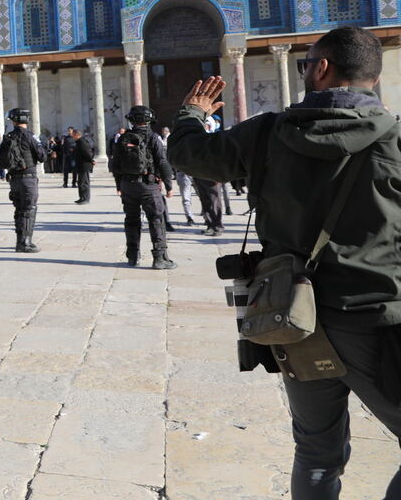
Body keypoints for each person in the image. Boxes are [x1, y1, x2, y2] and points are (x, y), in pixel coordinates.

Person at [167, 26, 401, 500]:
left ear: (321, 69)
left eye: (305, 62)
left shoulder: (268, 133)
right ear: (372, 79)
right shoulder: (394, 139)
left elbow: (190, 154)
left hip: (292, 317)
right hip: (374, 318)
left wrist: (192, 113)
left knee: (317, 452)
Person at [111, 106, 175, 269]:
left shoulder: (123, 138)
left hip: (127, 185)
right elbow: (162, 161)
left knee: (131, 220)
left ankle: (132, 257)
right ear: (149, 120)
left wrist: (119, 185)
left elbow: (115, 164)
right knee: (156, 219)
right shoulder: (153, 137)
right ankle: (159, 258)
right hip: (148, 185)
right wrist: (168, 185)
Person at [0, 108, 46, 253]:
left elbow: (1, 159)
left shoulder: (7, 137)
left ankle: (20, 240)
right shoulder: (30, 136)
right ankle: (25, 243)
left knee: (19, 209)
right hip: (28, 178)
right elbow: (42, 156)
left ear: (14, 120)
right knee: (29, 209)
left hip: (14, 179)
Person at [71, 128, 94, 204]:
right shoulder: (78, 142)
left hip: (84, 165)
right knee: (80, 182)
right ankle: (81, 197)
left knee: (84, 182)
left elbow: (87, 153)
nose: (72, 136)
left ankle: (85, 198)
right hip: (80, 165)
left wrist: (91, 160)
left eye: (73, 135)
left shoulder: (82, 142)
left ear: (77, 135)